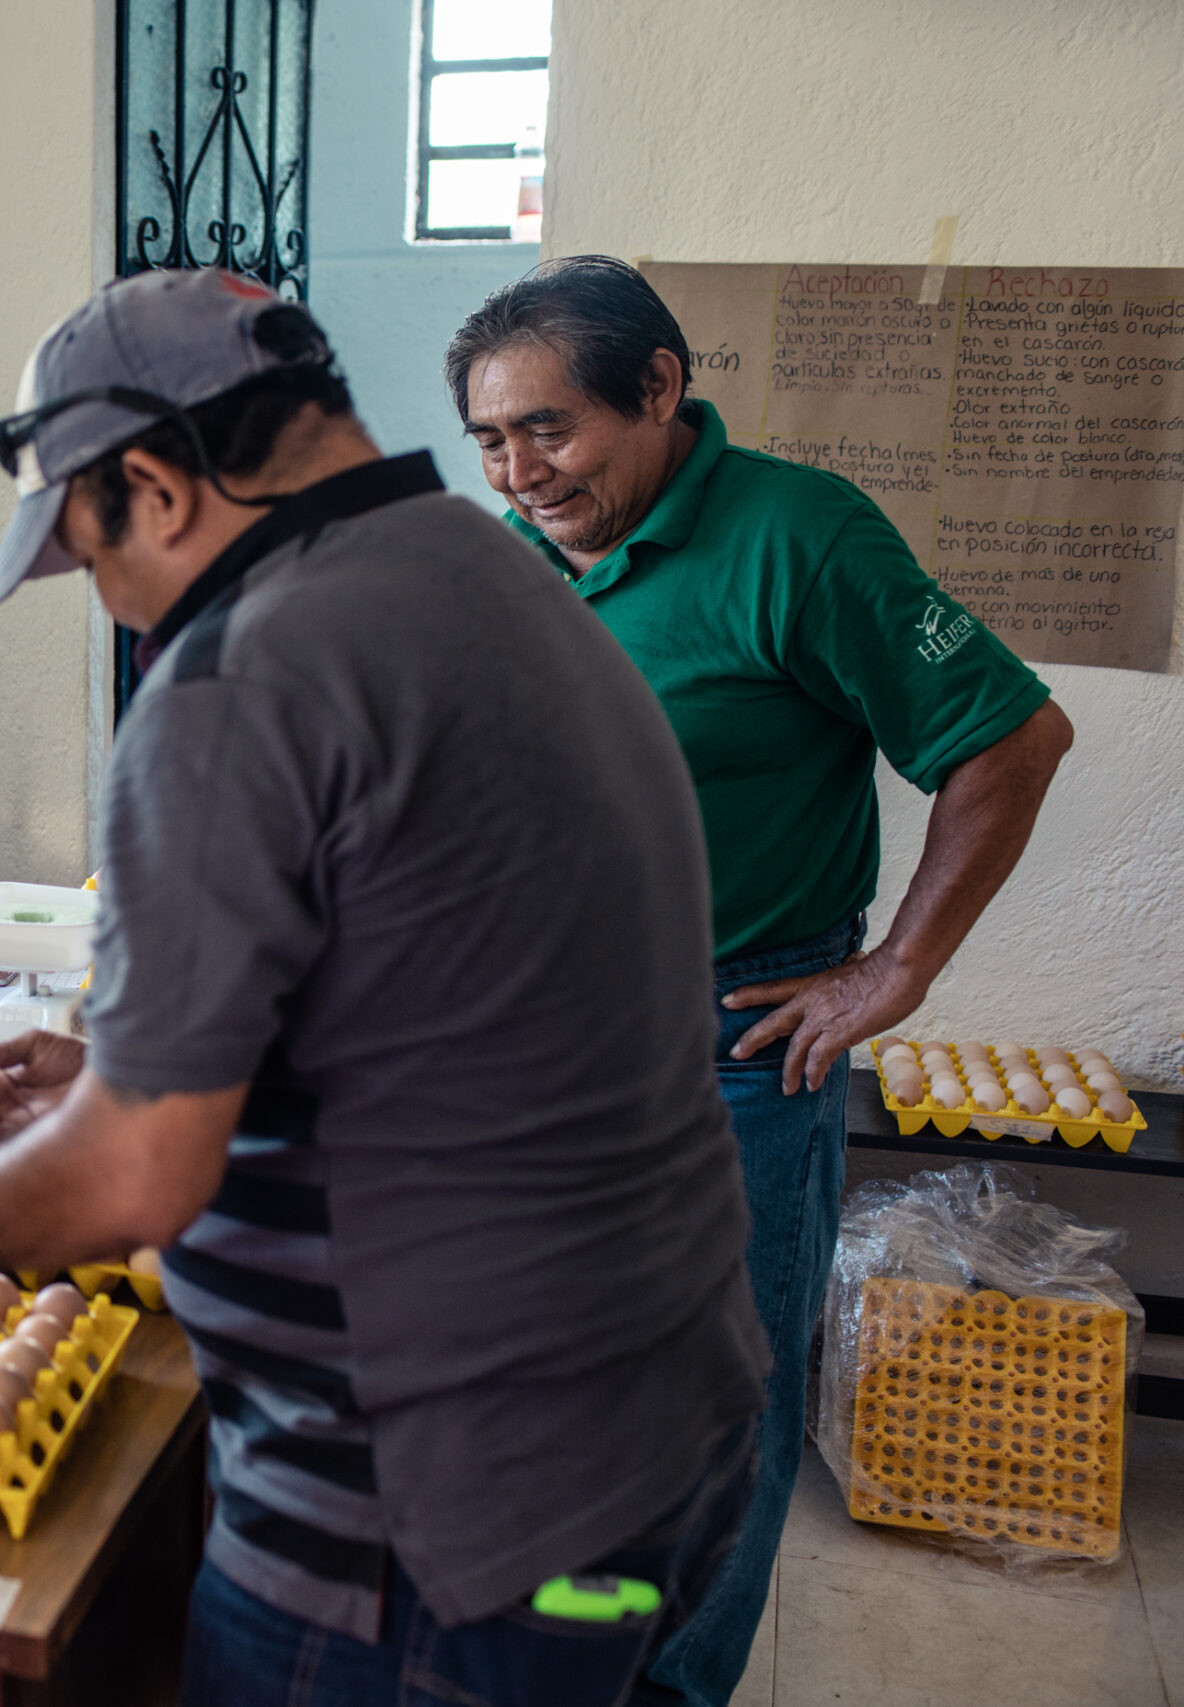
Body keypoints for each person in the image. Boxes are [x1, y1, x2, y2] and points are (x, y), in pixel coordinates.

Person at [0, 266, 767, 1705]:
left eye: (95, 558)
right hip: (652, 1479)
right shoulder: (496, 573)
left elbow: (133, 1179)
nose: (121, 617)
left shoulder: (242, 674)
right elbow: (458, 998)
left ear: (158, 481)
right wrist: (129, 1074)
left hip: (435, 1539)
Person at [446, 256, 1073, 1707]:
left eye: (548, 428)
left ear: (660, 388)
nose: (518, 468)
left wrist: (896, 967)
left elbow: (1009, 740)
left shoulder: (801, 536)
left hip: (735, 1037)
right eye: (490, 438)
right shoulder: (519, 553)